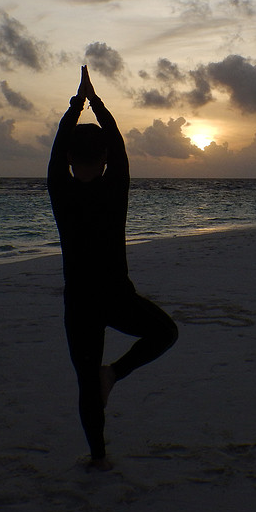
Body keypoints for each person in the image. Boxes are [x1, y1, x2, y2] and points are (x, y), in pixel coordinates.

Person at [48, 66, 178, 471]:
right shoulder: (115, 186)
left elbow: (56, 152)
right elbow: (118, 144)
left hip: (81, 302)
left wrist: (77, 104)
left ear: (70, 159)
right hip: (117, 296)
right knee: (165, 332)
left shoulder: (60, 188)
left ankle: (98, 456)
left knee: (87, 382)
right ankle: (116, 374)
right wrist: (95, 102)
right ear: (104, 159)